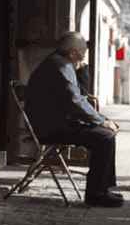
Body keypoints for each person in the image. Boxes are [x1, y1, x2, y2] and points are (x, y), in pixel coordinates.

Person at [25, 32, 123, 207]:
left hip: (58, 122)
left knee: (105, 134)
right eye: (82, 51)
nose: (85, 54)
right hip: (51, 128)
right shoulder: (61, 66)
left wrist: (101, 118)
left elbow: (80, 95)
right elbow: (75, 101)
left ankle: (103, 189)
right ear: (72, 52)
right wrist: (101, 121)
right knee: (105, 136)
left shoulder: (61, 63)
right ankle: (96, 195)